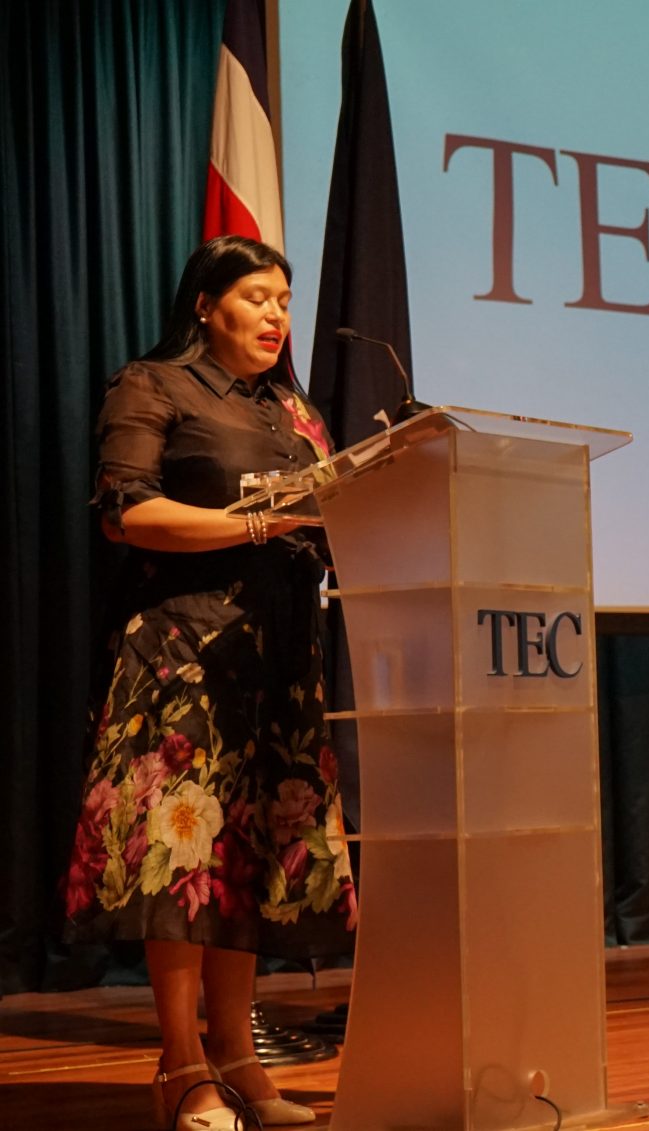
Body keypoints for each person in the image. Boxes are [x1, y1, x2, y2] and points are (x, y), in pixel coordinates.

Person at [61, 236, 353, 1130]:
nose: (276, 316)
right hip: (182, 653)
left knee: (249, 864)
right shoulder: (154, 386)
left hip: (282, 658)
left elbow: (335, 511)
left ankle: (239, 1061)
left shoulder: (295, 411)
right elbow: (128, 512)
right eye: (257, 297)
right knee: (183, 863)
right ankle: (183, 1068)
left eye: (285, 302)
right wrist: (262, 521)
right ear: (204, 304)